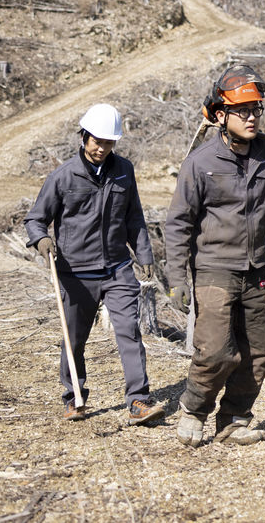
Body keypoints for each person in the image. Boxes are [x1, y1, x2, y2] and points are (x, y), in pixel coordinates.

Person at [164, 65, 265, 446]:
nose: (252, 117)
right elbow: (178, 223)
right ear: (221, 115)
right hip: (214, 268)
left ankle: (234, 420)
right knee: (216, 351)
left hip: (255, 270)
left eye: (257, 110)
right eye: (243, 110)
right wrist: (177, 279)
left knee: (255, 354)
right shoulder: (201, 162)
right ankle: (194, 410)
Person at [25, 103, 166, 425]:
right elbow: (35, 220)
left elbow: (134, 216)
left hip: (117, 268)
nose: (102, 148)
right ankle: (74, 396)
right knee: (74, 338)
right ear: (84, 136)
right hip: (75, 273)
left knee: (129, 332)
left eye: (109, 142)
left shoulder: (124, 170)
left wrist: (144, 255)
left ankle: (139, 401)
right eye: (97, 141)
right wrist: (42, 241)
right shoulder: (62, 177)